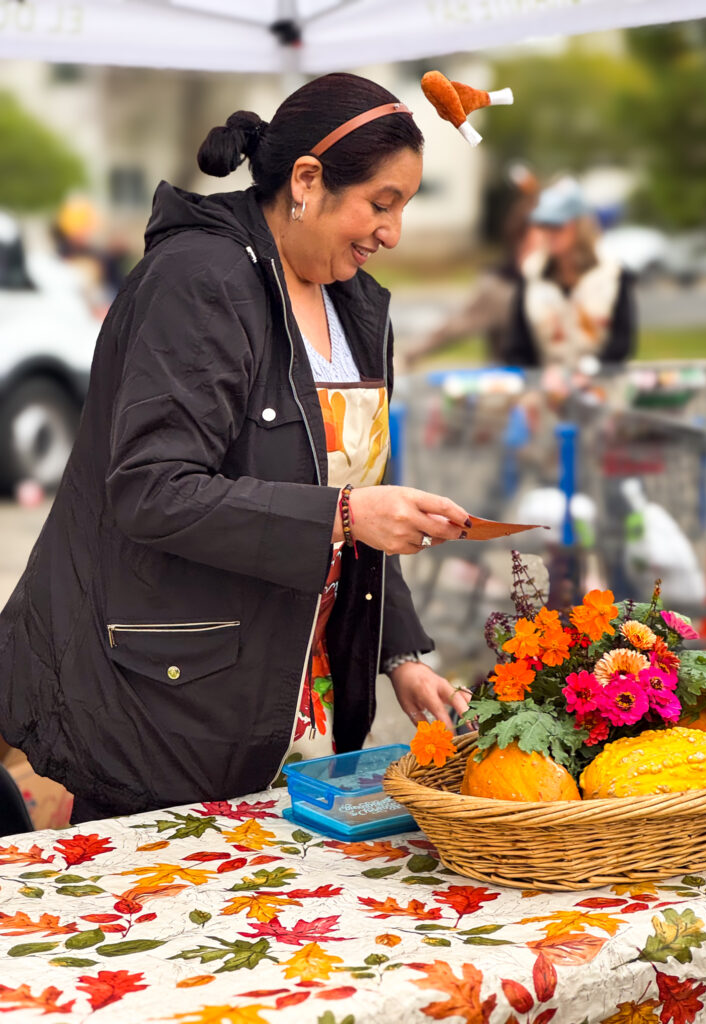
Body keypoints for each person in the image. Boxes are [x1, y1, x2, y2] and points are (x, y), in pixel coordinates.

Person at [0, 73, 473, 824]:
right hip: (160, 698)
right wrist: (347, 513)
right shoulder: (201, 281)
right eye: (381, 204)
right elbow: (152, 488)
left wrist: (401, 657)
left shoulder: (352, 303)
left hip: (275, 695)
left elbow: (346, 488)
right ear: (307, 180)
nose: (393, 233)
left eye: (405, 207)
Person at [405, 163, 541, 368]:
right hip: (510, 382)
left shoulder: (555, 280)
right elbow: (455, 327)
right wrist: (408, 355)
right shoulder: (502, 287)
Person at [504, 177, 636, 370]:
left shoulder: (612, 273)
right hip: (547, 390)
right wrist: (541, 377)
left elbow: (622, 343)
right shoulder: (531, 275)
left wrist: (591, 372)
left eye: (557, 225)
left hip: (603, 387)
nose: (550, 233)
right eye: (544, 225)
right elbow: (517, 346)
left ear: (580, 226)